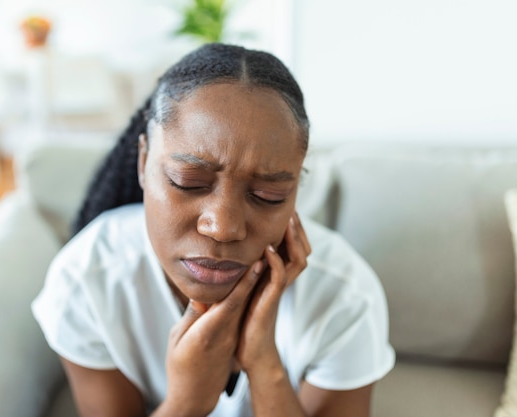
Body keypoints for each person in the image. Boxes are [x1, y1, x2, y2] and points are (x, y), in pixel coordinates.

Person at [32, 43, 394, 417]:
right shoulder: (86, 280)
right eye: (188, 182)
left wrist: (263, 363)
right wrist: (187, 401)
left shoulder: (344, 296)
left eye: (268, 195)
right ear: (143, 163)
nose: (223, 227)